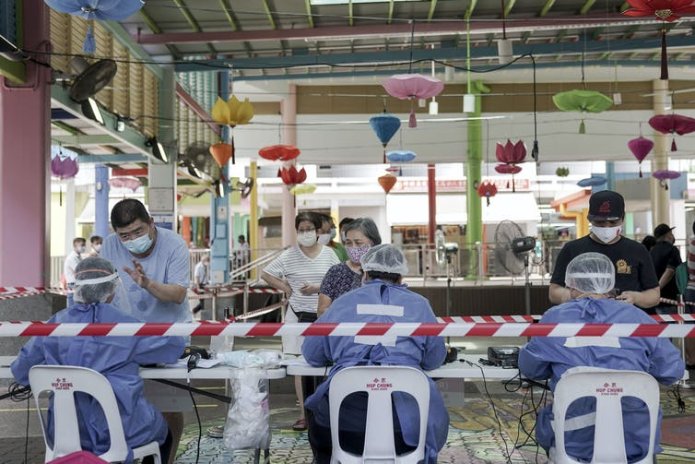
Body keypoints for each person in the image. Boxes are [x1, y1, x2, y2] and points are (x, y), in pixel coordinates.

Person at [11, 257, 186, 463]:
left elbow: (21, 371)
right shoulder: (125, 326)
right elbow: (173, 347)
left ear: (77, 289)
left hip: (64, 433)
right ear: (112, 291)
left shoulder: (54, 325)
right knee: (164, 433)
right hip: (121, 431)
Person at [520, 252, 684, 463]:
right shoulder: (639, 319)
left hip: (573, 441)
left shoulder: (554, 319)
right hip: (635, 440)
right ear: (610, 284)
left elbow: (530, 369)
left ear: (571, 285)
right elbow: (672, 371)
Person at [303, 244, 449, 464]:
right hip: (407, 431)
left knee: (321, 426)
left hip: (342, 427)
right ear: (401, 277)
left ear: (365, 273)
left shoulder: (343, 303)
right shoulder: (420, 306)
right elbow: (434, 358)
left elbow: (312, 354)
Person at [100, 199, 190, 464]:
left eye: (138, 232)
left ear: (151, 223)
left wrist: (147, 283)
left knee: (168, 406)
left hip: (167, 337)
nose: (132, 239)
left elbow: (178, 294)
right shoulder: (109, 245)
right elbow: (105, 290)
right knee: (125, 403)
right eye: (124, 235)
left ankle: (167, 459)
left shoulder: (174, 245)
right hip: (124, 339)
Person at [261, 211, 339, 431]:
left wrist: (318, 288)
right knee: (298, 364)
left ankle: (326, 411)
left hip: (325, 315)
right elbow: (265, 274)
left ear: (318, 232)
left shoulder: (330, 255)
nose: (305, 233)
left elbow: (339, 280)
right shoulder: (289, 256)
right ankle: (304, 414)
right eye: (301, 229)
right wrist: (287, 287)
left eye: (309, 229)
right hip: (297, 315)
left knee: (327, 363)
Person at [549, 190, 660, 311]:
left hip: (627, 323)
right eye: (600, 222)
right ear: (589, 219)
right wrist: (573, 295)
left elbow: (654, 294)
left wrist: (635, 297)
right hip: (584, 320)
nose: (607, 227)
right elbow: (554, 291)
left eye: (613, 222)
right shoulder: (572, 249)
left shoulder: (637, 250)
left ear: (622, 218)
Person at [317, 218, 382, 316]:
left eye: (358, 243)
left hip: (375, 330)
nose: (353, 247)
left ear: (373, 243)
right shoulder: (335, 272)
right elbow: (321, 311)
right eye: (348, 243)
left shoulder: (384, 272)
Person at [650, 223, 682, 314]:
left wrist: (653, 292)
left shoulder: (652, 251)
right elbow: (670, 271)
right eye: (671, 234)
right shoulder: (673, 250)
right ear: (668, 235)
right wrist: (658, 289)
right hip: (670, 299)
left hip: (656, 301)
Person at [63, 237, 87, 307]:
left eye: (84, 245)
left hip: (77, 286)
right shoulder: (72, 258)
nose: (83, 247)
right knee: (73, 311)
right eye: (81, 245)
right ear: (75, 246)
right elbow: (80, 271)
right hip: (73, 286)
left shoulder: (79, 257)